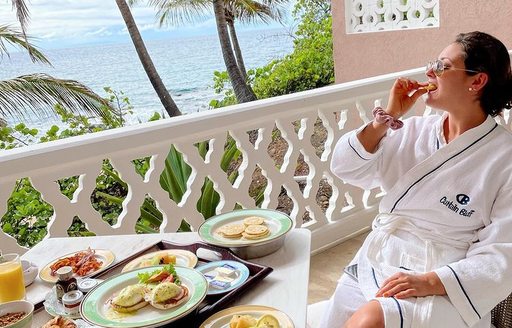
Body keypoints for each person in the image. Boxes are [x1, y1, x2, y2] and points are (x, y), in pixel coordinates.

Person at [321, 31, 512, 328]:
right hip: (380, 257)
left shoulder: (505, 157)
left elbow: (504, 252)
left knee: (370, 319)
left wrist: (430, 282)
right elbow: (345, 167)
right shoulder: (411, 130)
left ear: (477, 81)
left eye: (442, 66)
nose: (429, 72)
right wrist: (383, 119)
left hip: (444, 278)